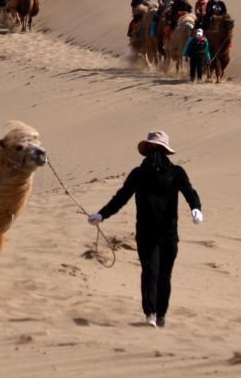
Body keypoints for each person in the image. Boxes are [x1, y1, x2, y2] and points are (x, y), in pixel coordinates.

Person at [87, 131, 203, 328]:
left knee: (165, 276)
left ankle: (161, 316)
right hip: (146, 233)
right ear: (147, 150)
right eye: (151, 148)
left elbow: (190, 192)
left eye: (158, 148)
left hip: (169, 234)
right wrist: (102, 215)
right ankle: (150, 313)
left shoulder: (176, 173)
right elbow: (121, 197)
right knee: (150, 271)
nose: (154, 152)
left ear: (165, 151)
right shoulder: (138, 174)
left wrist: (196, 208)